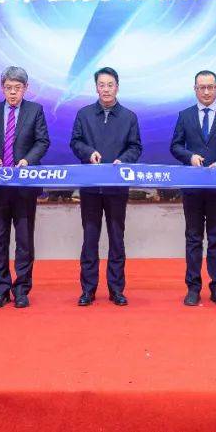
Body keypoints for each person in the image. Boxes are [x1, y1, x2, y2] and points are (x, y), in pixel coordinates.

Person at [0, 66, 50, 308]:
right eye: (8, 88)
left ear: (26, 88)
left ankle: (22, 290)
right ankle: (0, 289)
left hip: (24, 187)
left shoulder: (35, 111)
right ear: (2, 88)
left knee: (24, 241)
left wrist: (28, 160)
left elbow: (42, 141)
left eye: (17, 88)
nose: (13, 92)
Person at [69, 67, 143, 306]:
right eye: (102, 85)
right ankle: (88, 290)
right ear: (96, 88)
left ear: (117, 87)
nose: (106, 89)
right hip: (90, 187)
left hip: (116, 187)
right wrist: (88, 153)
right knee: (90, 239)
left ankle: (116, 289)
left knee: (116, 239)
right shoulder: (84, 114)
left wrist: (123, 160)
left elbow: (135, 147)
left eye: (110, 85)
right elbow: (75, 142)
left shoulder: (129, 117)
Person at [170, 70, 216, 307]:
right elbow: (175, 146)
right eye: (202, 87)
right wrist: (189, 157)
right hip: (192, 187)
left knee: (215, 238)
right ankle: (193, 288)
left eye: (210, 87)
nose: (206, 91)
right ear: (195, 90)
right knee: (193, 238)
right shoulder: (185, 115)